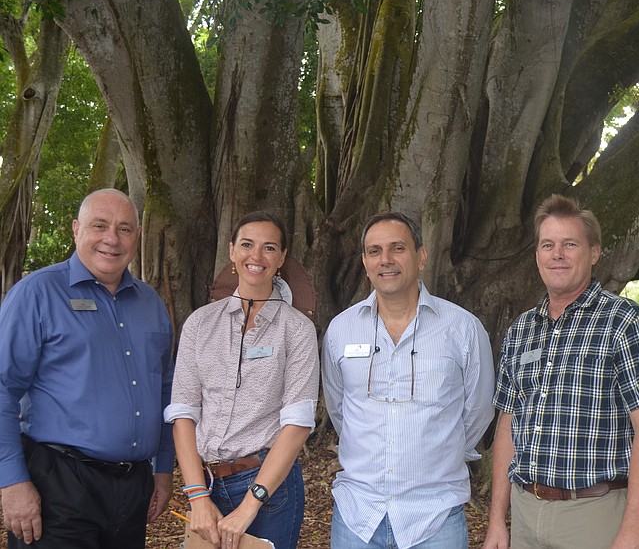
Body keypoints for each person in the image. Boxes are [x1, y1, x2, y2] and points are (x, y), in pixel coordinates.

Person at [483, 194, 639, 549]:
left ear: (594, 253)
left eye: (570, 244)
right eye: (548, 245)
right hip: (526, 511)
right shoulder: (521, 330)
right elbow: (507, 426)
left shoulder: (624, 321)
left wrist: (635, 529)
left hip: (595, 514)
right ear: (537, 256)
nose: (557, 254)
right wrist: (497, 520)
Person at [0, 189, 175, 549]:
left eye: (125, 229)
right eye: (100, 225)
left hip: (133, 487)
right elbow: (3, 389)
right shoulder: (37, 294)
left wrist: (163, 468)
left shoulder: (150, 302)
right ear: (76, 229)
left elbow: (167, 391)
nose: (112, 238)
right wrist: (11, 482)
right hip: (59, 486)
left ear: (136, 237)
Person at [322, 212, 495, 549]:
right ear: (364, 262)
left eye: (397, 248)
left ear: (421, 257)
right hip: (358, 515)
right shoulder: (341, 330)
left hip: (435, 517)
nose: (385, 260)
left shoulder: (463, 329)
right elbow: (339, 409)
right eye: (374, 251)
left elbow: (478, 412)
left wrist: (438, 453)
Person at [165, 211, 319, 549]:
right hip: (206, 485)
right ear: (232, 251)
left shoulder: (297, 330)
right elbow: (183, 414)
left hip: (269, 489)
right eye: (247, 245)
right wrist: (197, 498)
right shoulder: (200, 324)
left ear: (281, 259)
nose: (256, 256)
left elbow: (297, 424)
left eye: (269, 248)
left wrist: (251, 505)